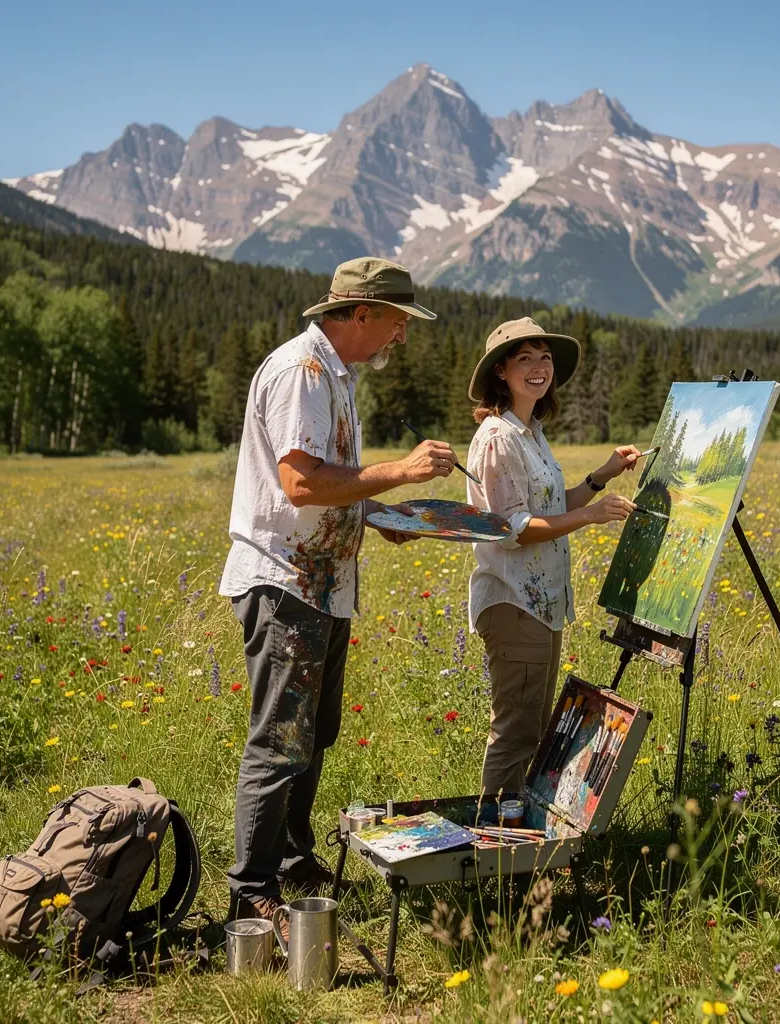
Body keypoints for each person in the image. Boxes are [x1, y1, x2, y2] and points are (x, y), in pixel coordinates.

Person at [220, 257, 460, 925]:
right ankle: (250, 890)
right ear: (361, 314)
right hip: (286, 584)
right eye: (395, 323)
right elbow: (299, 483)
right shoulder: (305, 372)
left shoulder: (334, 373)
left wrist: (376, 517)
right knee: (279, 742)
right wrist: (398, 472)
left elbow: (326, 487)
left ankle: (293, 864)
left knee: (312, 735)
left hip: (321, 585)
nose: (401, 337)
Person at [465, 317, 640, 796]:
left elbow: (548, 506)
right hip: (514, 602)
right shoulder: (500, 438)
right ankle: (495, 845)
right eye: (525, 358)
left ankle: (514, 831)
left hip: (538, 605)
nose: (539, 368)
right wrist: (593, 516)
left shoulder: (529, 431)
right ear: (501, 371)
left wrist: (601, 477)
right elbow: (513, 530)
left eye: (545, 358)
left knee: (533, 726)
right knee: (517, 731)